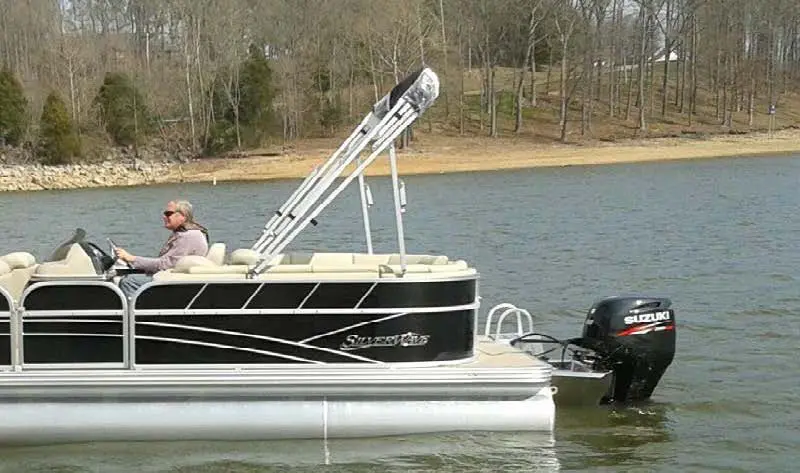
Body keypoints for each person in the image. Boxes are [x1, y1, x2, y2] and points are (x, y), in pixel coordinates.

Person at [116, 200, 209, 297]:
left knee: (128, 281)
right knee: (126, 275)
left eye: (168, 214)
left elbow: (165, 265)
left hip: (176, 283)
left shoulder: (188, 236)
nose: (164, 217)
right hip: (173, 277)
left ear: (182, 216)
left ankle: (134, 307)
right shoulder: (185, 233)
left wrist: (132, 259)